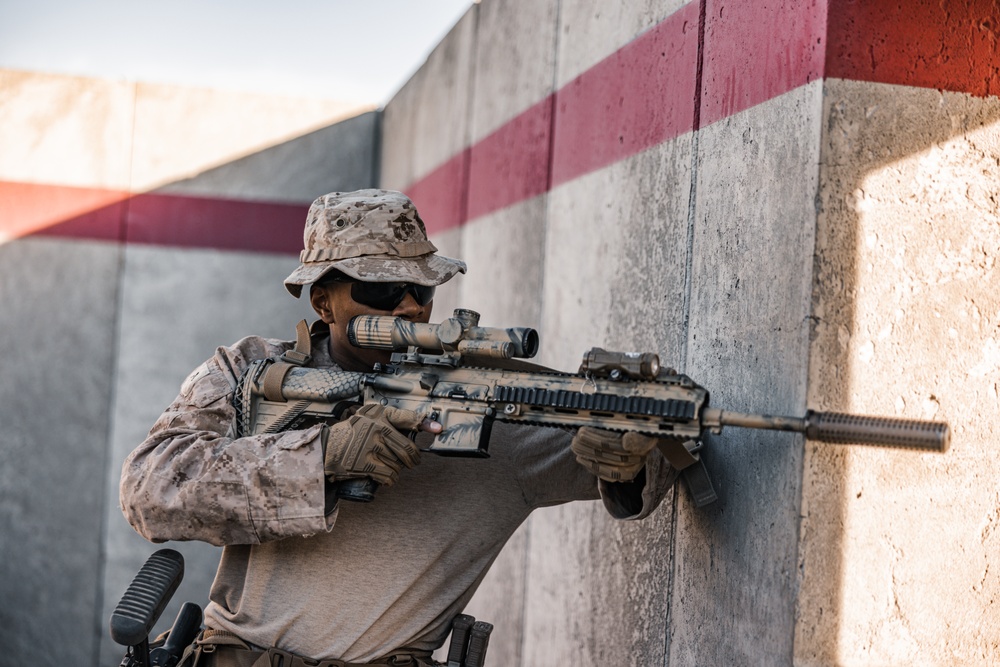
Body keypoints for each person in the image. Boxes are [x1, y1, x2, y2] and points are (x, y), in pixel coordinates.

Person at [121, 189, 679, 667]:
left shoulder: (491, 398)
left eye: (423, 290)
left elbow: (633, 462)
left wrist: (629, 458)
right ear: (324, 301)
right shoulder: (251, 371)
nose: (411, 307)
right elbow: (148, 488)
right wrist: (319, 459)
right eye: (385, 291)